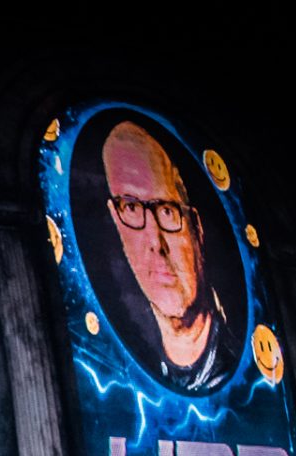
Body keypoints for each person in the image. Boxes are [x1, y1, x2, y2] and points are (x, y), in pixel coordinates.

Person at [99, 119, 237, 394]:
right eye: (131, 208)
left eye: (167, 211)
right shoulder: (117, 368)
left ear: (196, 228)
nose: (156, 242)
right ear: (116, 219)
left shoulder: (236, 356)